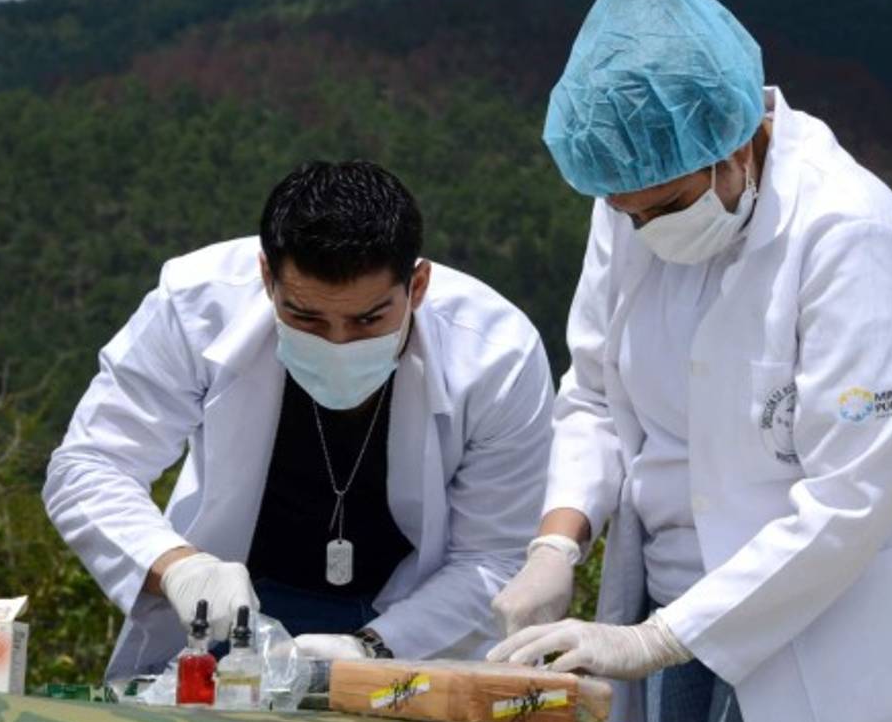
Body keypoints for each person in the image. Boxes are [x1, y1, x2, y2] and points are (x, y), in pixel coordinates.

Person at [487, 0, 892, 722]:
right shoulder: (631, 198)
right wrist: (557, 544)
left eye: (664, 208)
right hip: (667, 618)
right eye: (628, 213)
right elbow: (592, 391)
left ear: (734, 141)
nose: (644, 230)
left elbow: (849, 496)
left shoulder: (849, 234)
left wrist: (655, 639)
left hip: (833, 630)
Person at [44, 160, 554, 678]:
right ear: (268, 277)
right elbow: (90, 465)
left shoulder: (497, 354)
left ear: (417, 286)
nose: (337, 343)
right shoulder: (197, 304)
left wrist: (374, 648)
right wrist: (179, 568)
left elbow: (491, 558)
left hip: (413, 625)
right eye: (306, 317)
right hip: (233, 617)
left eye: (368, 320)